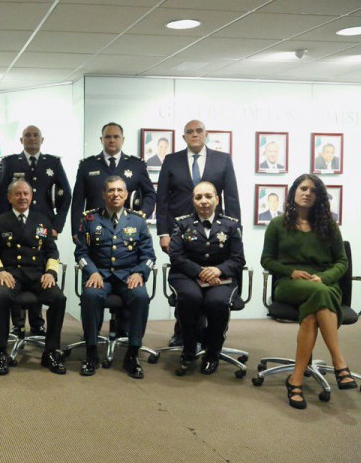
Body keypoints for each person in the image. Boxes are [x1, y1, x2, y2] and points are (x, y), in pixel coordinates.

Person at [260, 174, 355, 409]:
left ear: (319, 197)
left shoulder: (329, 226)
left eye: (313, 190)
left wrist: (323, 277)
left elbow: (341, 262)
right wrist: (290, 272)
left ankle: (296, 381)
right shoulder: (277, 224)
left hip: (324, 283)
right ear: (294, 192)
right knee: (320, 295)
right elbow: (266, 260)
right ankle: (339, 363)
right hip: (289, 284)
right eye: (303, 188)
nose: (307, 193)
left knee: (313, 309)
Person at [156, 119, 240, 346]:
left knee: (210, 282)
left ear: (206, 134)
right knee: (187, 283)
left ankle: (209, 335)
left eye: (199, 131)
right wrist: (163, 233)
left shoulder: (222, 160)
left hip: (214, 233)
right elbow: (162, 199)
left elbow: (231, 197)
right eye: (189, 132)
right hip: (179, 232)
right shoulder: (171, 160)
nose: (195, 135)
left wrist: (235, 232)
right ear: (184, 137)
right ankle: (183, 331)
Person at [75, 176, 155, 379]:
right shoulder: (90, 219)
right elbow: (81, 253)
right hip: (99, 275)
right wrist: (92, 271)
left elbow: (149, 257)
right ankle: (91, 352)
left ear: (126, 194)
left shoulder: (138, 221)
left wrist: (139, 272)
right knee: (91, 296)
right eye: (111, 190)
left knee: (140, 297)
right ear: (104, 194)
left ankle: (133, 354)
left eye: (120, 190)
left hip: (128, 276)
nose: (116, 194)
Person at [0, 179, 67, 376]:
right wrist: (0, 272)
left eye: (26, 194)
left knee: (59, 299)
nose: (22, 197)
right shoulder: (0, 221)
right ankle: (3, 352)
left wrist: (51, 272)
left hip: (37, 275)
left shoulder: (42, 220)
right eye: (18, 194)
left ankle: (50, 352)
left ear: (31, 197)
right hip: (11, 275)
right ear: (9, 197)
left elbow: (52, 252)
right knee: (1, 298)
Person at [0, 124, 71, 335]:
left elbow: (67, 194)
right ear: (21, 140)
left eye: (35, 135)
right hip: (14, 221)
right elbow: (1, 194)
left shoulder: (53, 162)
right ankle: (17, 323)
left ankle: (37, 323)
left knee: (37, 265)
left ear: (42, 139)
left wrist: (56, 225)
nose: (31, 139)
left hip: (41, 225)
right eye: (27, 136)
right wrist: (3, 222)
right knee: (16, 263)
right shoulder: (9, 162)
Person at [168, 181, 245, 375]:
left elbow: (238, 259)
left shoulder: (231, 225)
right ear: (193, 201)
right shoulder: (181, 223)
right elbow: (176, 256)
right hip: (187, 275)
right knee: (190, 298)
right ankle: (188, 348)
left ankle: (213, 352)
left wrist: (218, 270)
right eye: (198, 197)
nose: (204, 201)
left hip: (221, 277)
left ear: (217, 200)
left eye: (208, 196)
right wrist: (201, 272)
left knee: (217, 302)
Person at [71, 122, 156, 238]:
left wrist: (141, 215)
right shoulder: (87, 165)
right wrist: (76, 230)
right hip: (95, 228)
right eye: (108, 137)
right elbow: (78, 200)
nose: (112, 140)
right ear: (101, 139)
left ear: (123, 139)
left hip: (129, 228)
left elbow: (150, 194)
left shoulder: (136, 165)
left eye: (116, 136)